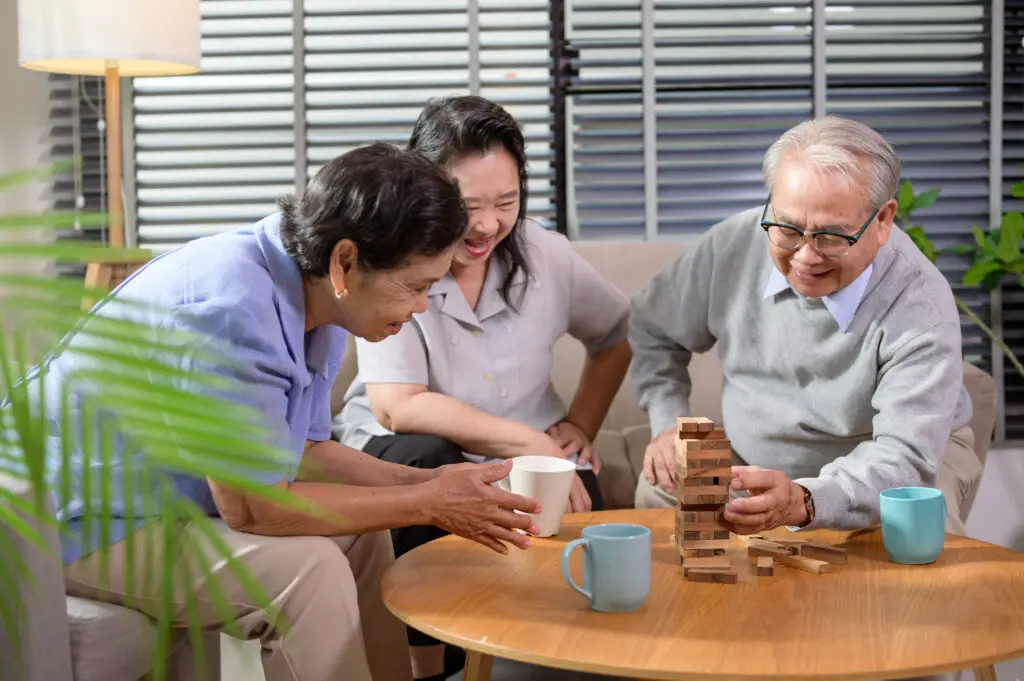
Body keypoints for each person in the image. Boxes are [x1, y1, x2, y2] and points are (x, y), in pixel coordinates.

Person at [35, 143, 543, 681]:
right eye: (415, 286)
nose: (421, 307)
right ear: (345, 261)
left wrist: (431, 479)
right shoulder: (232, 311)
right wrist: (428, 503)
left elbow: (305, 453)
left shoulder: (311, 287)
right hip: (70, 520)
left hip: (156, 503)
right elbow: (252, 509)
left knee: (367, 533)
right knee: (311, 572)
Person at [334, 96, 632, 679]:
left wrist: (577, 428)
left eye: (507, 203)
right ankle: (428, 669)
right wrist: (526, 441)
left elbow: (617, 335)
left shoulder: (546, 253)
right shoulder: (391, 254)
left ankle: (553, 657)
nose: (488, 225)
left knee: (580, 493)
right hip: (410, 444)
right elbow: (398, 406)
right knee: (431, 462)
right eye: (468, 206)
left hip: (527, 447)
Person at [630, 115, 982, 536]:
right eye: (787, 228)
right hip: (751, 454)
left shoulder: (921, 303)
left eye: (832, 236)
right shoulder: (731, 245)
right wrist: (669, 422)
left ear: (884, 220)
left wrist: (805, 499)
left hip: (902, 460)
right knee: (660, 496)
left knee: (914, 543)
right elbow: (653, 327)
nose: (805, 256)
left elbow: (903, 457)